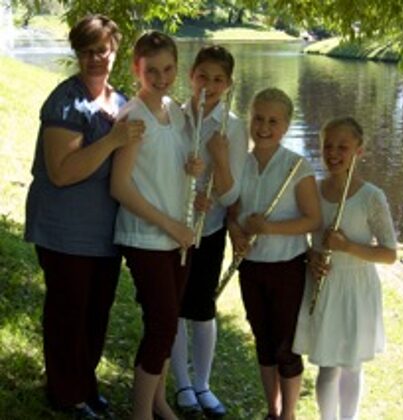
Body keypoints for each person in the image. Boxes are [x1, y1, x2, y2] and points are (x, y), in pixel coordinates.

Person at [24, 14, 144, 419]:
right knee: (68, 314)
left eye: (102, 50)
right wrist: (111, 140)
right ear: (77, 53)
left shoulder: (121, 102)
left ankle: (84, 385)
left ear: (115, 52)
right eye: (86, 51)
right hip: (64, 231)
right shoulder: (66, 101)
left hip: (105, 235)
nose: (95, 58)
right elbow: (61, 171)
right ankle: (65, 394)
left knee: (95, 313)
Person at [110, 31, 203, 420]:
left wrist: (191, 168)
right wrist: (171, 226)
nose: (161, 78)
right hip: (145, 236)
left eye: (168, 70)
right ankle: (140, 413)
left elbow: (167, 166)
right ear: (137, 68)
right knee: (163, 323)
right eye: (152, 71)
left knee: (168, 321)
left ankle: (158, 401)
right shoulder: (134, 117)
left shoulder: (176, 112)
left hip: (177, 237)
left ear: (177, 69)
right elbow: (119, 187)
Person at [292, 117, 397, 420]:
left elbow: (389, 253)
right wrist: (310, 255)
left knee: (351, 365)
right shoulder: (312, 190)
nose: (334, 153)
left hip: (355, 289)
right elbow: (300, 235)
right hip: (324, 286)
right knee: (327, 366)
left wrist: (347, 246)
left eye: (343, 147)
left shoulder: (371, 197)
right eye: (328, 146)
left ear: (358, 151)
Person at [228, 88, 321, 420]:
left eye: (273, 121)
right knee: (263, 341)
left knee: (286, 346)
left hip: (287, 267)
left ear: (286, 126)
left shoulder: (297, 166)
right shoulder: (240, 163)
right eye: (258, 118)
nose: (264, 127)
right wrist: (236, 233)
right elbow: (232, 212)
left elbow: (313, 219)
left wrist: (269, 228)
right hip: (251, 267)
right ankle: (272, 410)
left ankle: (288, 415)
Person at [170, 45, 248, 418]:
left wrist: (219, 158)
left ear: (228, 84)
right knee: (172, 306)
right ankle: (181, 383)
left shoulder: (234, 127)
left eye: (218, 80)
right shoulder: (173, 115)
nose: (209, 85)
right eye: (203, 76)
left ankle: (202, 382)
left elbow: (232, 193)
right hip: (171, 225)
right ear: (191, 76)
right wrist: (186, 183)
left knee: (201, 308)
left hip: (209, 227)